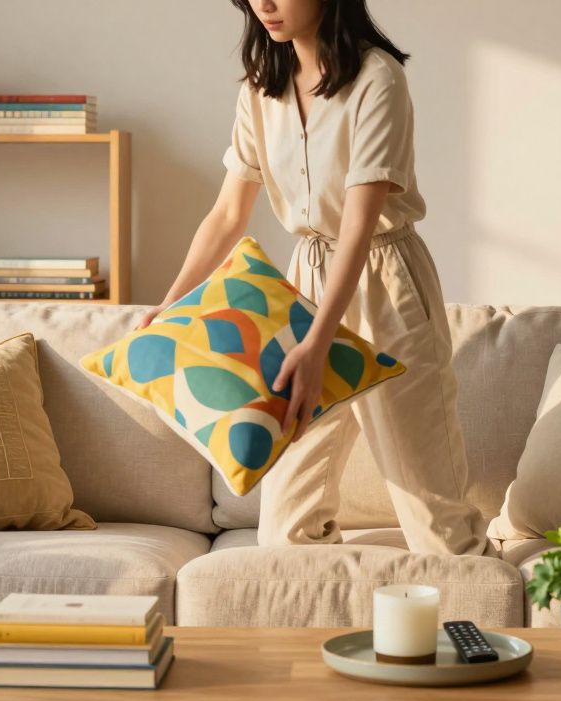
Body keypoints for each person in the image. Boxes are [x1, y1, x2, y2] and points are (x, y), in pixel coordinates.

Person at [138, 0, 491, 556]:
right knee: (284, 535)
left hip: (385, 283)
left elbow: (359, 223)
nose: (265, 4)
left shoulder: (379, 79)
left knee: (439, 530)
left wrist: (317, 342)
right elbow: (229, 213)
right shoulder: (260, 88)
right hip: (304, 281)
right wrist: (171, 303)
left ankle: (482, 633)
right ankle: (332, 641)